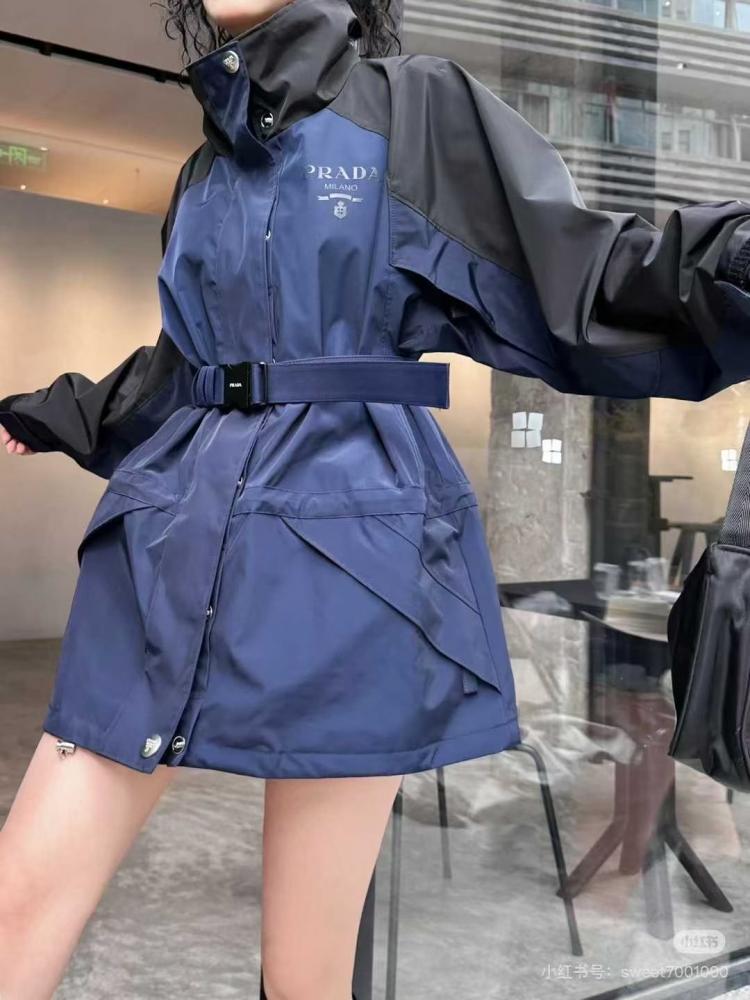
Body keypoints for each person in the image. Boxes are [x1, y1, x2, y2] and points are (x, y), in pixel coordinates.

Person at [2, 0, 750, 996]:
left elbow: (584, 276)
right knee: (18, 904)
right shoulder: (203, 172)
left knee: (306, 973)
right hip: (175, 545)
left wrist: (731, 261)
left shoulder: (413, 112)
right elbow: (186, 372)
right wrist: (64, 411)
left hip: (351, 560)